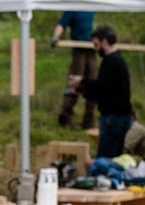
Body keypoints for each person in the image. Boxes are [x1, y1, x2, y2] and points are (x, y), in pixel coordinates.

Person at [87, 24, 136, 160]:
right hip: (118, 117)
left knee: (106, 159)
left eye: (96, 44)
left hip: (113, 118)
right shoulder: (117, 61)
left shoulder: (111, 61)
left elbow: (102, 88)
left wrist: (82, 84)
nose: (95, 49)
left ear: (104, 42)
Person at [52, 10, 98, 129]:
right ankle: (65, 118)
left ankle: (88, 121)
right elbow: (61, 24)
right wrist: (56, 36)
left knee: (93, 83)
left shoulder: (90, 7)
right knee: (74, 83)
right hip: (78, 49)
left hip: (91, 49)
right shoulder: (72, 9)